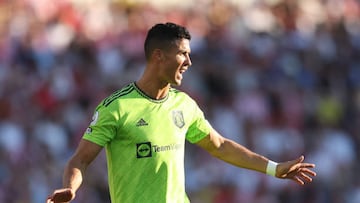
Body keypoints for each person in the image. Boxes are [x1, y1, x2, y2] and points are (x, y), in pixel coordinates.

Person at [46, 22, 316, 203]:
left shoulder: (183, 104)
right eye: (183, 54)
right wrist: (71, 187)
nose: (189, 62)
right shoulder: (117, 107)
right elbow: (79, 160)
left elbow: (219, 145)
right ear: (158, 56)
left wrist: (273, 168)